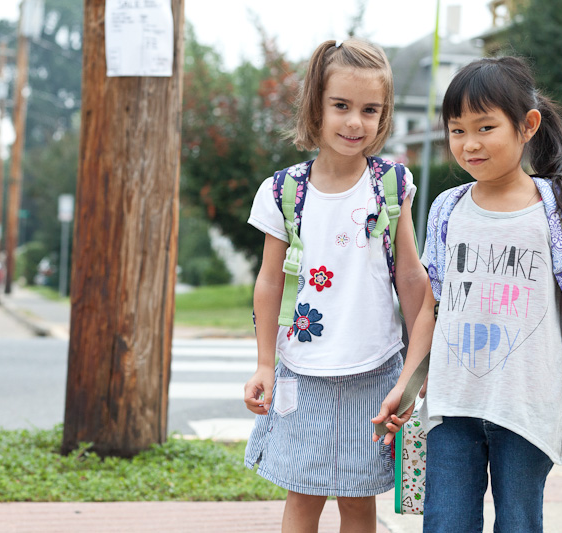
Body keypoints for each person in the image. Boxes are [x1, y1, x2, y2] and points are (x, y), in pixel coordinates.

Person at [371, 56, 562, 532]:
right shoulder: (447, 208)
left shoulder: (558, 212)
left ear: (527, 126)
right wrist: (405, 385)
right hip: (453, 405)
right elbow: (431, 306)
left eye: (485, 127)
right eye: (457, 130)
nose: (469, 144)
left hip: (527, 408)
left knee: (519, 524)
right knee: (445, 524)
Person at [243, 38, 428, 532]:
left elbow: (410, 276)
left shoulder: (391, 184)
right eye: (341, 106)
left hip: (375, 367)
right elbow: (268, 282)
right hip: (302, 369)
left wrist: (416, 369)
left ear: (383, 115)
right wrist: (265, 362)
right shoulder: (283, 191)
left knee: (357, 499)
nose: (355, 122)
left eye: (370, 110)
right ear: (316, 106)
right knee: (302, 495)